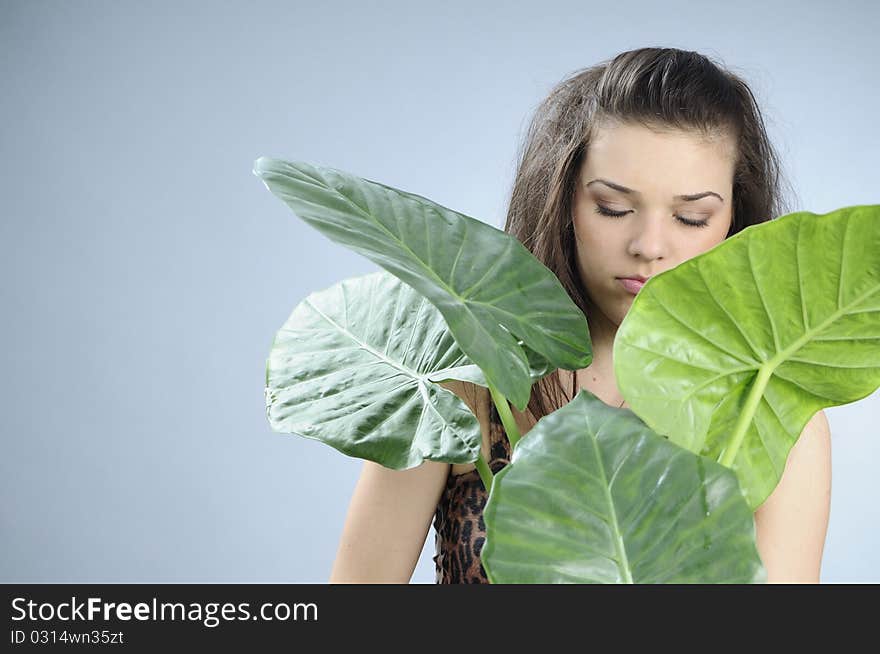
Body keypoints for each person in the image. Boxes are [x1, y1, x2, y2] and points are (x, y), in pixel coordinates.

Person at [328, 47, 832, 584]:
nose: (649, 245)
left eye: (691, 217)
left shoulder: (768, 414)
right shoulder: (464, 378)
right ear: (564, 200)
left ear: (735, 220)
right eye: (613, 208)